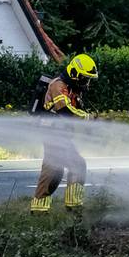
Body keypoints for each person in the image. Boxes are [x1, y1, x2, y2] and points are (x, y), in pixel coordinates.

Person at [29, 53, 97, 213]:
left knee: (56, 169)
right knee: (70, 165)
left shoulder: (73, 89)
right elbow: (66, 111)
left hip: (60, 133)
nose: (87, 83)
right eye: (84, 78)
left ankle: (42, 208)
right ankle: (69, 207)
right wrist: (88, 118)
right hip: (51, 132)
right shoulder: (57, 86)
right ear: (74, 74)